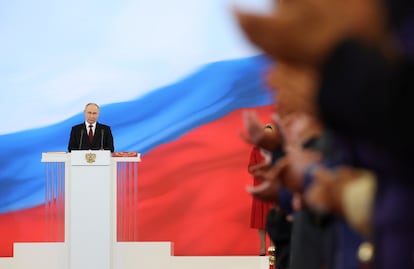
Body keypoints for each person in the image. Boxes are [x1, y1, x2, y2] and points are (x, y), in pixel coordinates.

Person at [247, 124, 275, 256]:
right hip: (260, 189)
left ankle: (273, 247)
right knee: (260, 221)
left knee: (273, 219)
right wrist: (262, 168)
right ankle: (262, 248)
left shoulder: (277, 150)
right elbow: (250, 168)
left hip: (273, 190)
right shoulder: (256, 150)